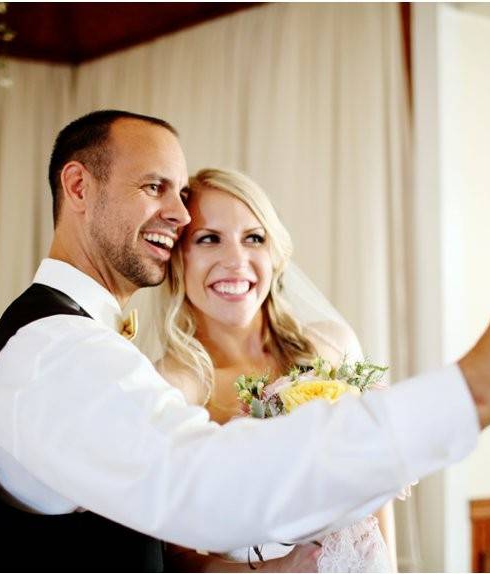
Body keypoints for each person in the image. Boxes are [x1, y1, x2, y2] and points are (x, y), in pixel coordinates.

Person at [0, 110, 490, 572]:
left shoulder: (79, 341)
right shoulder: (56, 352)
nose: (181, 217)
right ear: (78, 186)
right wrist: (478, 385)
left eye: (182, 197)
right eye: (155, 188)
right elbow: (209, 489)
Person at [153, 167, 397, 572]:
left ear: (274, 253)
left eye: (254, 238)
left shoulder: (334, 347)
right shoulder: (171, 388)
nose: (236, 260)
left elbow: (379, 491)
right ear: (180, 258)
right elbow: (176, 558)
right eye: (209, 239)